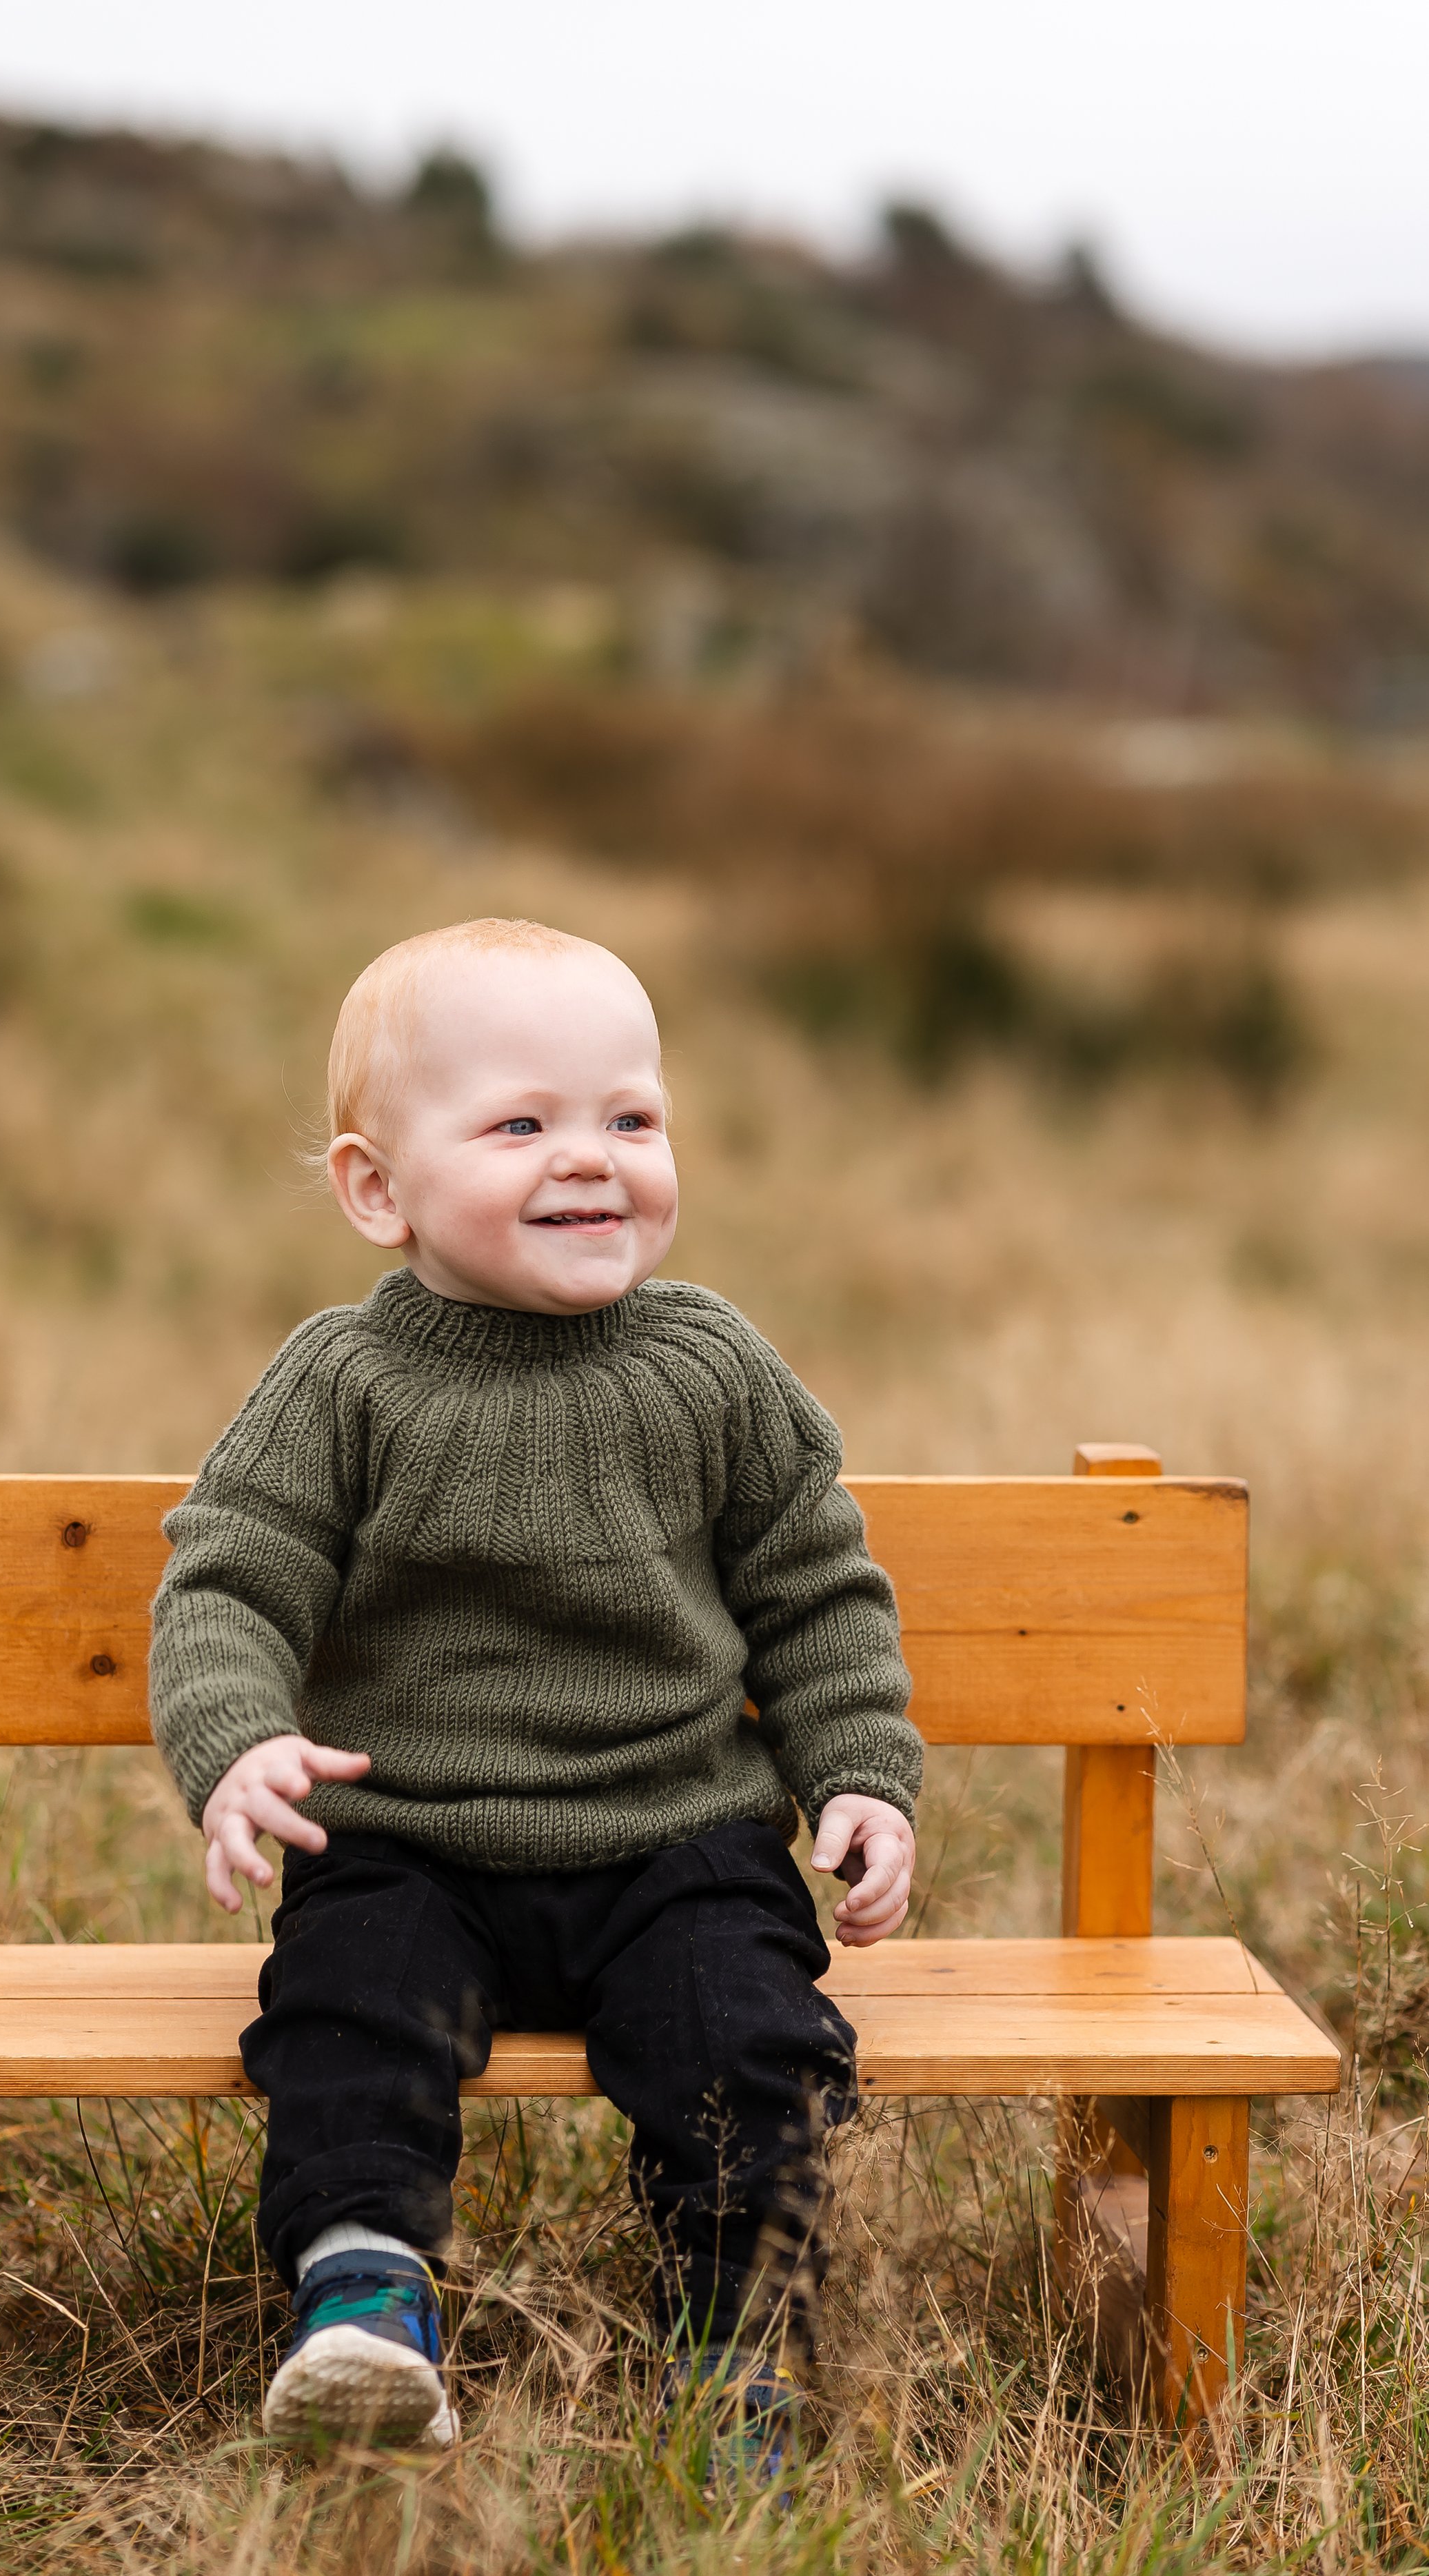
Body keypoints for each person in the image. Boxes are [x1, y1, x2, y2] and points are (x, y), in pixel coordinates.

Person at [149, 917, 920, 2458]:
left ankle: (737, 2349)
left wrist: (856, 1775)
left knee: (746, 2041)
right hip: (409, 1841)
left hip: (676, 1840)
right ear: (378, 1188)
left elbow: (813, 1593)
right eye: (522, 1124)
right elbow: (228, 1580)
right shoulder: (343, 1386)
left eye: (629, 1118)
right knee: (347, 2014)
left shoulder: (712, 1370)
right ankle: (362, 2303)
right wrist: (237, 1744)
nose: (592, 1159)